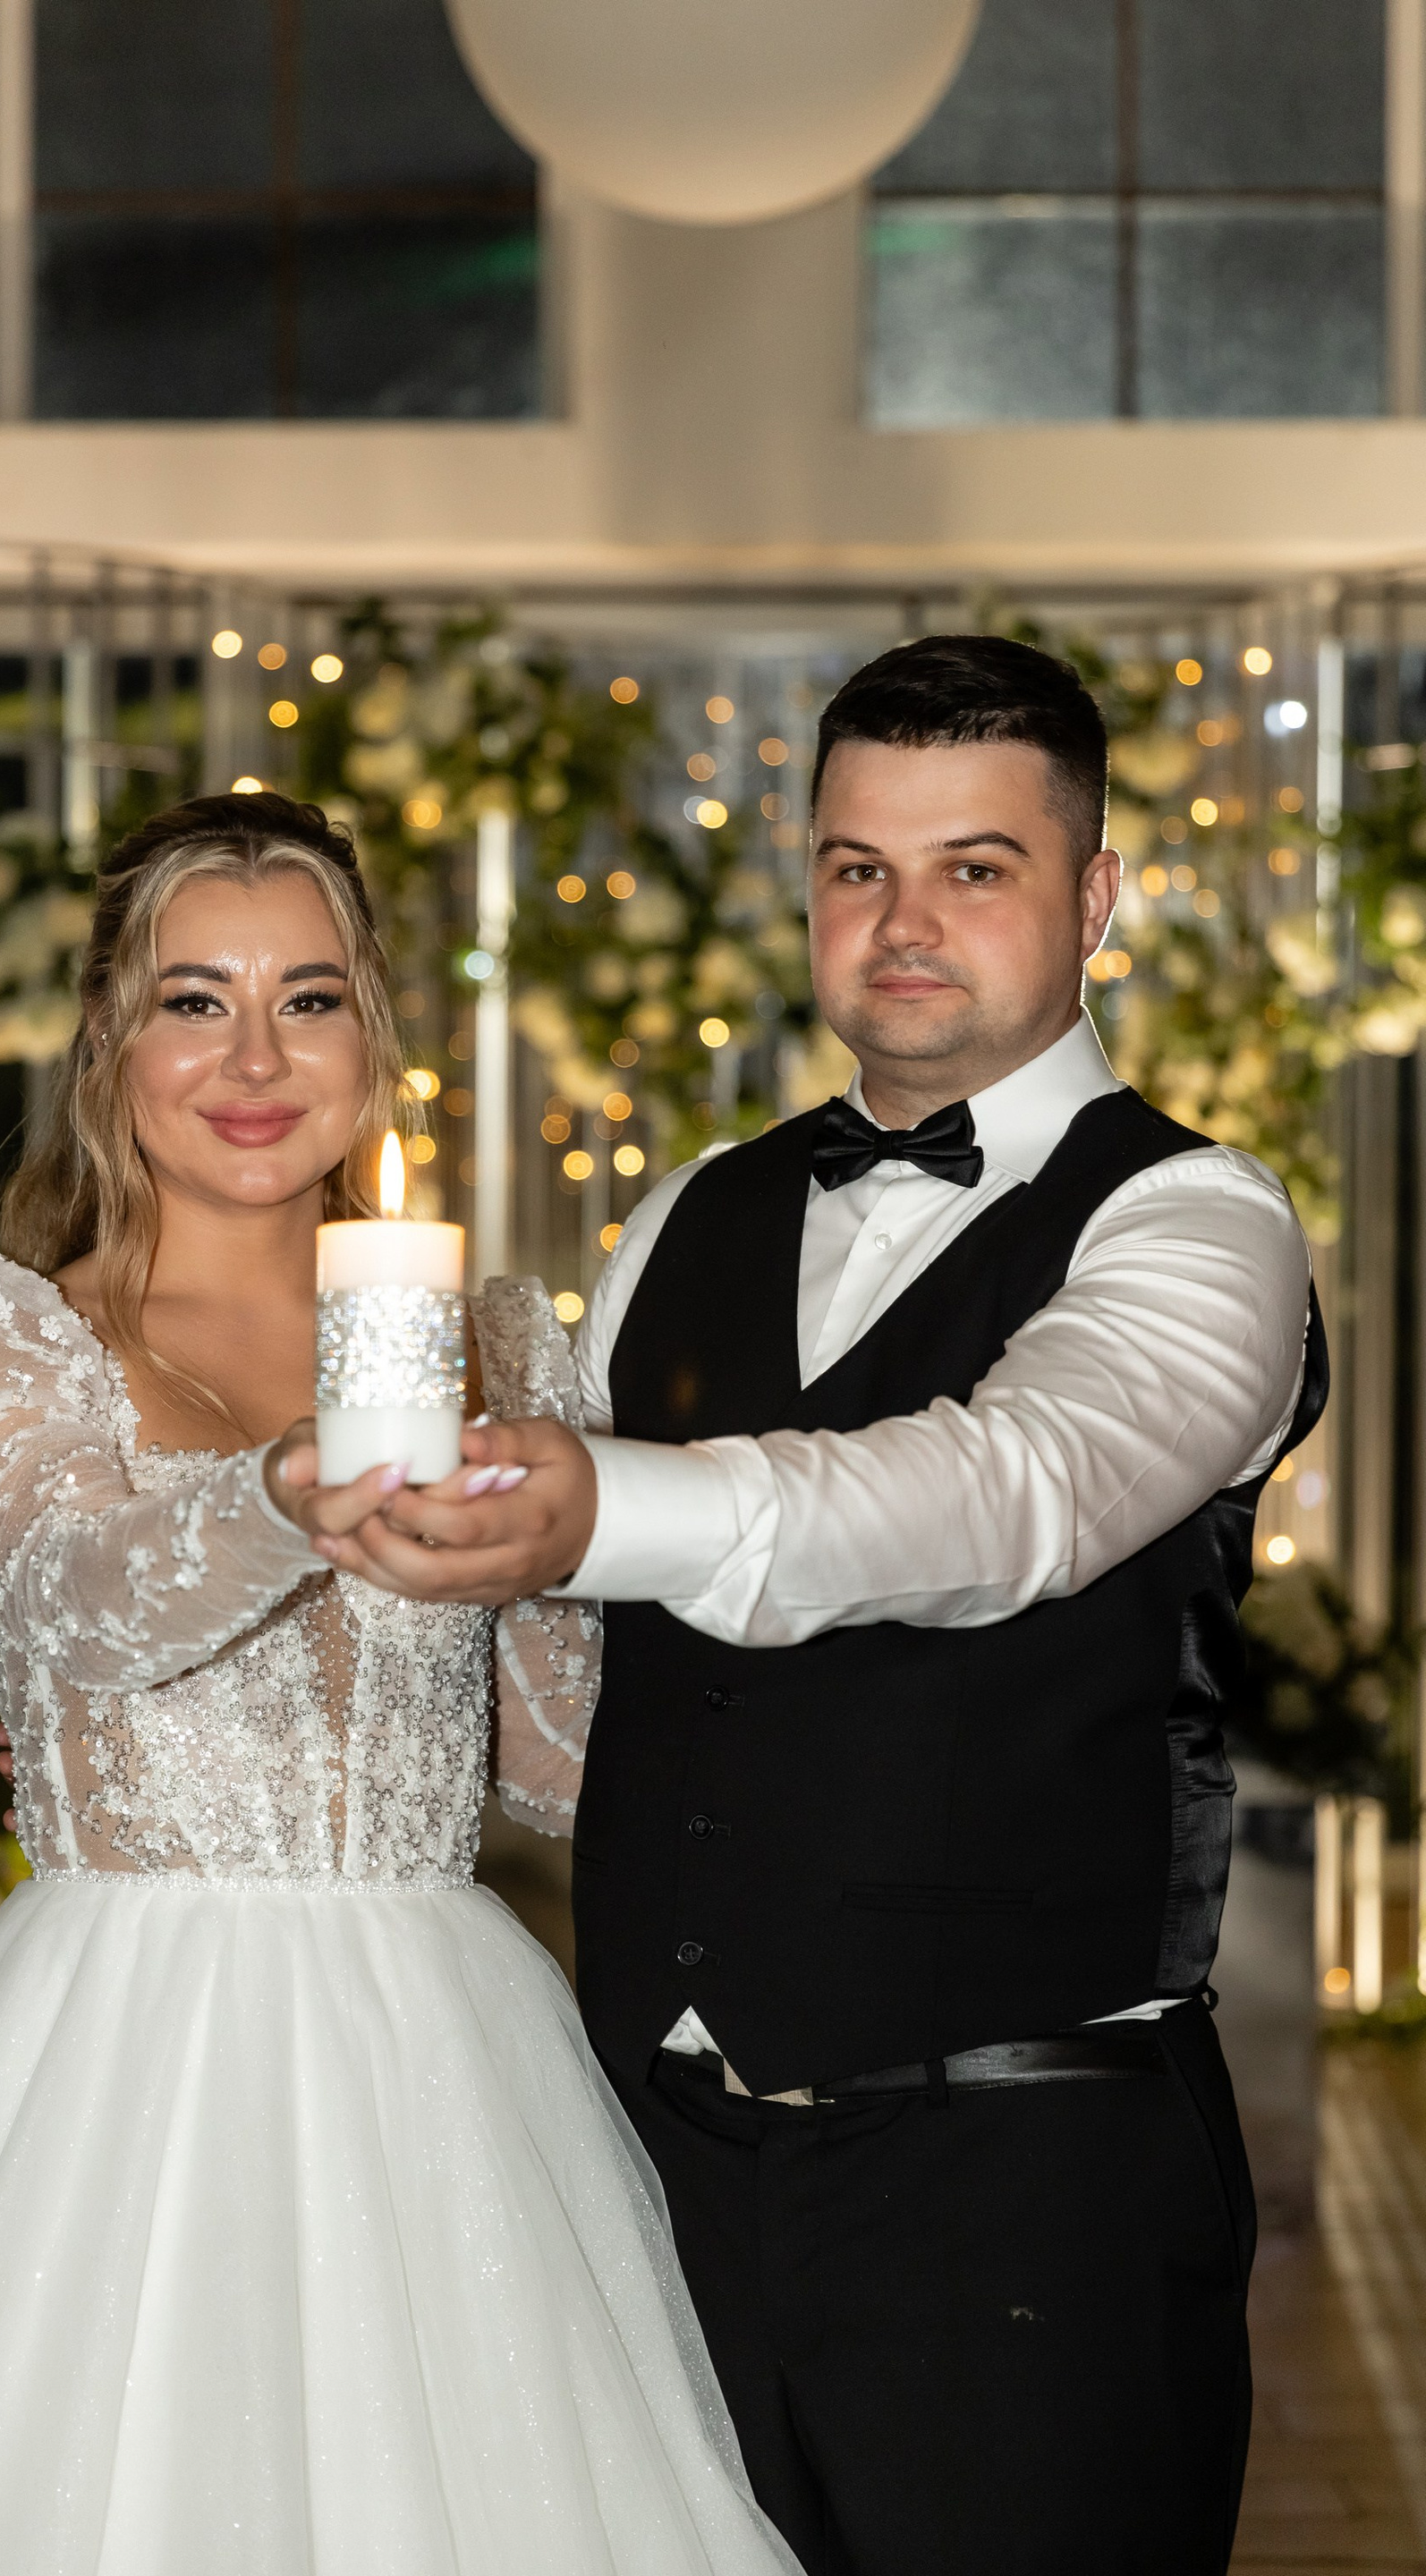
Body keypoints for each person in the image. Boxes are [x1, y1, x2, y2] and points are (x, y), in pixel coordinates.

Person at [314, 640, 1326, 2576]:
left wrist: (602, 1501)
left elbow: (1007, 1494)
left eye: (975, 867)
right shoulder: (689, 1210)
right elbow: (564, 1661)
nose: (904, 921)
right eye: (860, 868)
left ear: (1097, 895)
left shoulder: (1200, 1223)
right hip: (663, 2167)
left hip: (1026, 2182)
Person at [0, 792, 800, 2576]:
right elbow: (77, 1600)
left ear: (374, 1037)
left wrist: (565, 1565)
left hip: (443, 2055)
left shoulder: (497, 1345)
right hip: (121, 2048)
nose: (256, 1060)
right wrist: (286, 1494)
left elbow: (559, 1762)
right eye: (193, 999)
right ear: (108, 1035)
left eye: (309, 998)